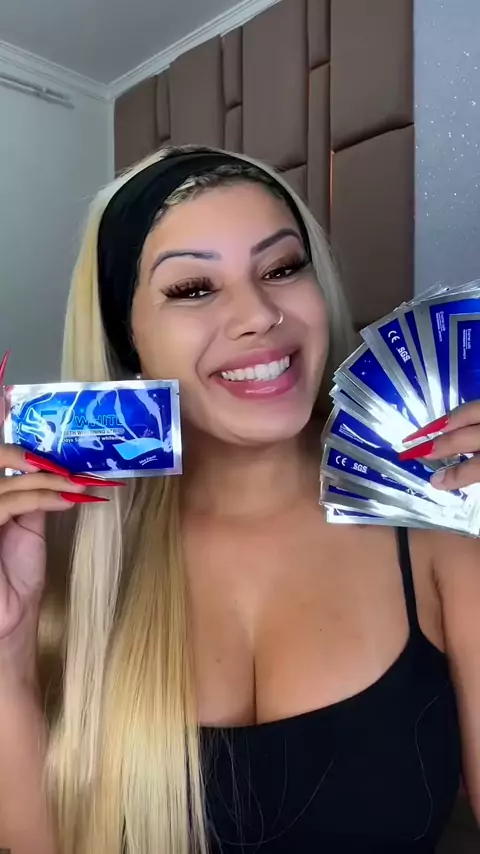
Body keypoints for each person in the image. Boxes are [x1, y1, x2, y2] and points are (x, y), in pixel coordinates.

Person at [0, 144, 479, 854]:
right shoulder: (65, 556)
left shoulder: (437, 517)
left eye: (282, 268)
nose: (258, 314)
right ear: (128, 340)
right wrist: (7, 655)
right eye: (193, 288)